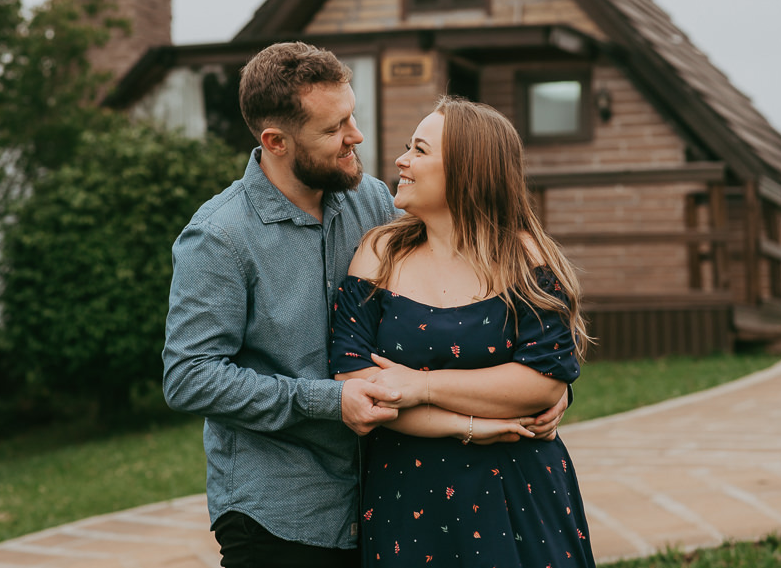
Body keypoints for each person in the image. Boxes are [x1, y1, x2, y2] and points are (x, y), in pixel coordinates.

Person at [162, 43, 567, 568]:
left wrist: (535, 394)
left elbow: (466, 306)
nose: (356, 136)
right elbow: (189, 376)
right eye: (333, 129)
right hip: (281, 513)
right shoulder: (219, 237)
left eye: (352, 116)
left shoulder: (372, 201)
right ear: (276, 141)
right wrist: (330, 401)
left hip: (386, 495)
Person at [329, 96, 597, 567]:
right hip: (408, 499)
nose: (401, 160)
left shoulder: (524, 257)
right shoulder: (379, 252)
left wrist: (420, 385)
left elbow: (543, 381)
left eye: (420, 150)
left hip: (520, 490)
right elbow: (356, 388)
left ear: (468, 171)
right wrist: (474, 424)